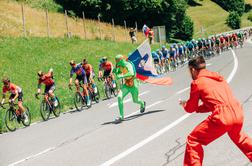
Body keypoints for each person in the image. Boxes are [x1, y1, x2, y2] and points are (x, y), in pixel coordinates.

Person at [179, 56, 252, 166]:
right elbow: (213, 103)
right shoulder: (219, 78)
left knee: (193, 140)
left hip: (223, 116)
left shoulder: (197, 83)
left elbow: (191, 108)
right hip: (237, 112)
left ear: (193, 70)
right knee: (239, 137)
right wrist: (199, 108)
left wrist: (185, 105)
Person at [113, 54, 146, 123]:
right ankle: (121, 116)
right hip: (126, 85)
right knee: (119, 97)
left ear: (121, 60)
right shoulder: (120, 66)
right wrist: (115, 71)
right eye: (116, 61)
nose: (117, 62)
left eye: (118, 60)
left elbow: (131, 73)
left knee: (135, 100)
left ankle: (142, 104)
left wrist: (121, 76)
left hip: (134, 85)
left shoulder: (128, 64)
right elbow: (118, 72)